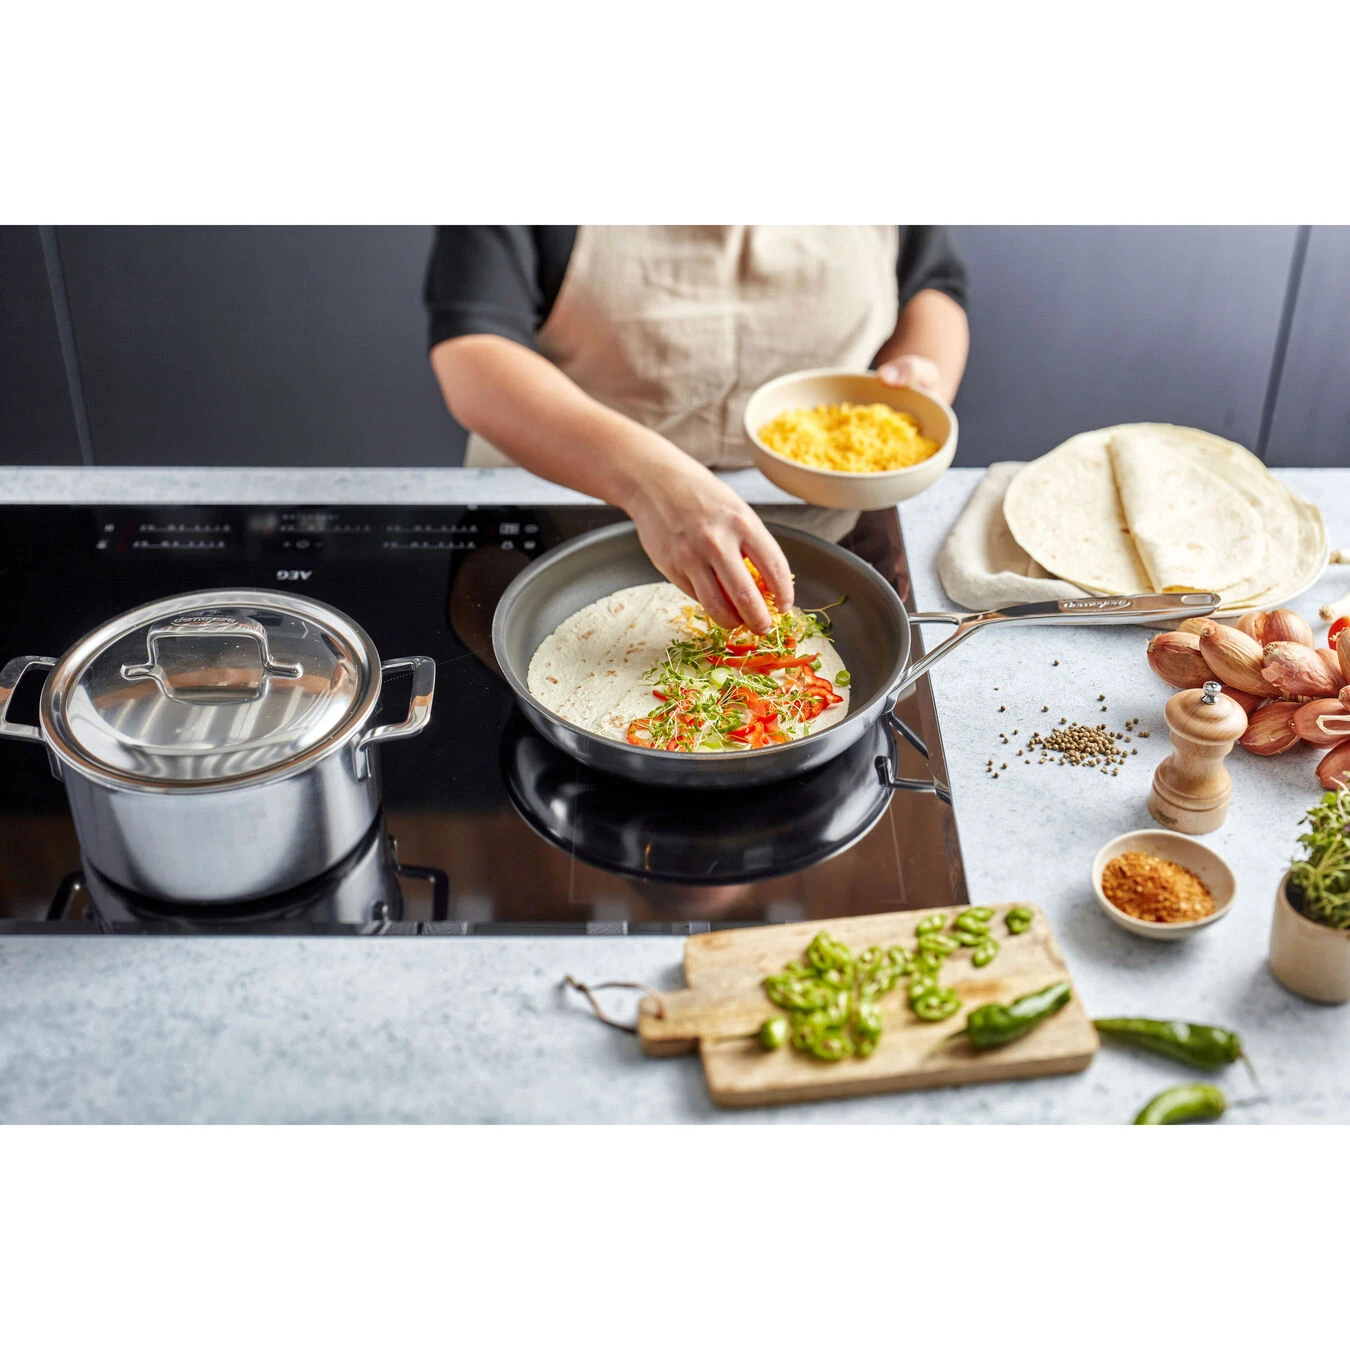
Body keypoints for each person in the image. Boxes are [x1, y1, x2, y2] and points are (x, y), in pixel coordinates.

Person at [425, 226, 969, 632]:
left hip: (827, 506)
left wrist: (919, 384)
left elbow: (931, 285)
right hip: (563, 497)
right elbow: (473, 351)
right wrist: (649, 481)